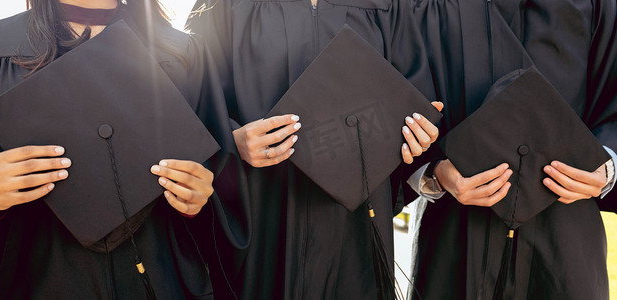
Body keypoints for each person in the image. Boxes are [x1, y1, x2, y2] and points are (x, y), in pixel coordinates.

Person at [0, 0, 247, 298]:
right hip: (39, 280)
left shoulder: (182, 52)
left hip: (163, 280)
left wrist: (199, 201)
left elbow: (223, 182)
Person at [187, 0, 441, 298]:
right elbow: (190, 101)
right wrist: (233, 141)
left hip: (356, 227)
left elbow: (412, 98)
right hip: (263, 220)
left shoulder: (387, 6)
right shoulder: (224, 5)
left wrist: (417, 136)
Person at [406, 0, 617, 299]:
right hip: (455, 227)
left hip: (564, 229)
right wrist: (434, 171)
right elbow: (400, 90)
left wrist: (608, 166)